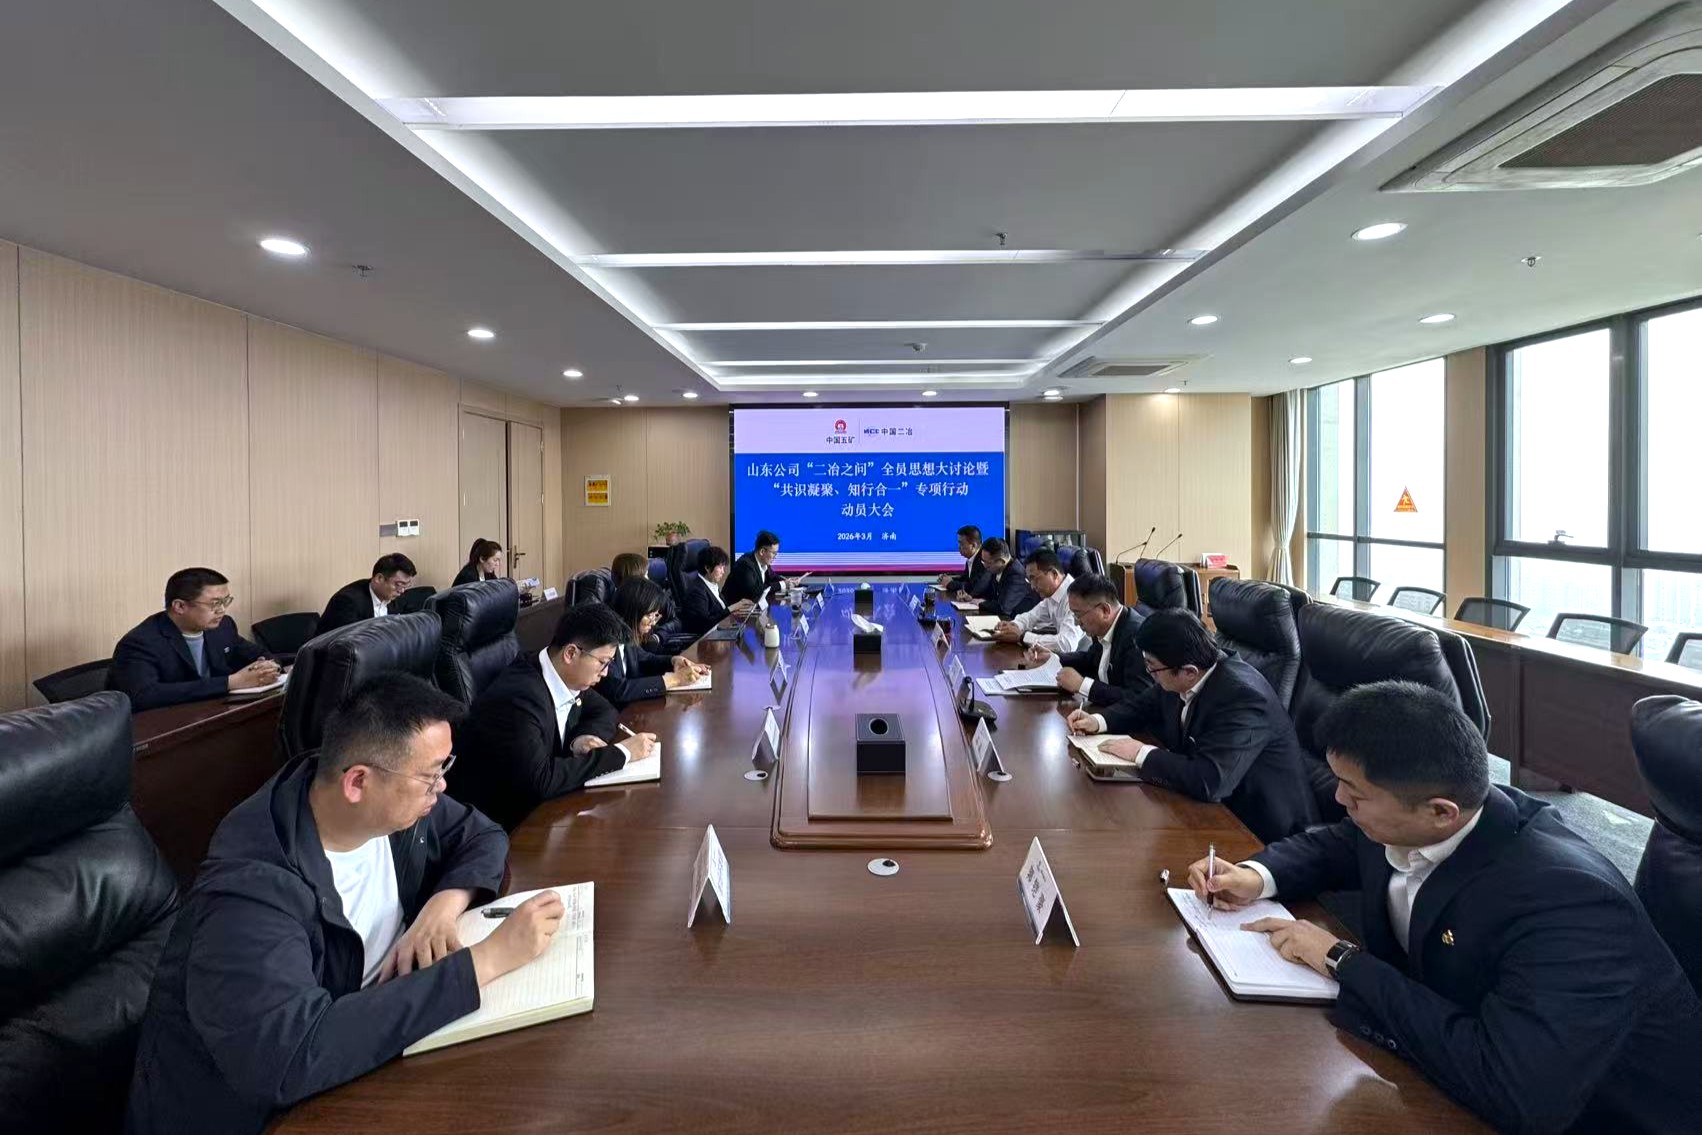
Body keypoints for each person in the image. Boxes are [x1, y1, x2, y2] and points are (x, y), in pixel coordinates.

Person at [1188, 681, 1702, 1134]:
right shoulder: (1419, 814)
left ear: (1440, 812)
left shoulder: (1570, 903)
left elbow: (1515, 1093)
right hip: (1443, 1067)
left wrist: (1343, 960)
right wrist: (1256, 875)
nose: (1339, 799)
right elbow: (1340, 844)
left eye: (1355, 794)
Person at [125, 674, 561, 1135]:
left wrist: (443, 906)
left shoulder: (386, 809)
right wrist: (484, 962)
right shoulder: (251, 891)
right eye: (431, 774)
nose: (442, 787)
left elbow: (483, 835)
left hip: (369, 1050)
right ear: (357, 782)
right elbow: (289, 1057)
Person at [1068, 609, 1315, 842]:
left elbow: (1210, 780)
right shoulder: (1187, 669)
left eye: (1151, 667)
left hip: (1258, 830)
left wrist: (1140, 752)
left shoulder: (1244, 699)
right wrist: (1098, 721)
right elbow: (1143, 704)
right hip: (1209, 808)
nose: (1149, 673)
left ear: (1189, 672)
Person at [449, 602, 658, 829]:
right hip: (503, 825)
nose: (606, 672)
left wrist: (582, 738)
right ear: (571, 653)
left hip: (546, 809)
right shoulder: (518, 699)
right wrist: (622, 753)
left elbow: (605, 710)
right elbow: (541, 781)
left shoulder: (563, 674)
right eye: (603, 662)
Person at [108, 567, 280, 711]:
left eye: (225, 601)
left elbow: (259, 654)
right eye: (214, 603)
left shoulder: (223, 626)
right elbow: (143, 695)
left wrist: (269, 667)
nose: (222, 610)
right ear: (180, 606)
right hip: (163, 726)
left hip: (215, 712)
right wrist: (230, 683)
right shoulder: (142, 642)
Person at [1024, 574, 1147, 706]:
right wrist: (1053, 658)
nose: (1076, 623)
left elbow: (1139, 698)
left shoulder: (1137, 638)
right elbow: (1090, 659)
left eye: (1078, 615)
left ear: (1105, 610)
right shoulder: (1103, 627)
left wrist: (1083, 685)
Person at [598, 579, 710, 707]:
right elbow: (618, 690)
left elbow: (646, 659)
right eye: (649, 615)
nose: (653, 622)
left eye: (655, 615)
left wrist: (673, 661)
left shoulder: (627, 636)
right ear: (633, 612)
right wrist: (674, 679)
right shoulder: (605, 642)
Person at [991, 548, 1085, 652]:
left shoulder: (1075, 597)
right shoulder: (1052, 595)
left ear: (1054, 574)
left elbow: (1066, 644)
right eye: (1029, 580)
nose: (1032, 586)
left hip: (1082, 657)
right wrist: (1013, 625)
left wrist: (1022, 637)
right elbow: (1031, 617)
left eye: (1035, 579)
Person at [318, 554, 417, 636]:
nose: (402, 591)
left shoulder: (398, 595)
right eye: (399, 584)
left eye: (406, 585)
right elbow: (350, 643)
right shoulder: (347, 601)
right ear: (379, 578)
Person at [678, 545, 754, 636]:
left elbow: (720, 612)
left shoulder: (712, 585)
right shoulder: (697, 591)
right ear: (707, 568)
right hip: (706, 640)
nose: (723, 572)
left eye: (724, 567)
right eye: (720, 567)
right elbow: (705, 624)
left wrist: (737, 609)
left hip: (720, 632)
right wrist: (732, 608)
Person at [612, 551, 683, 647]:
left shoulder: (655, 596)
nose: (649, 579)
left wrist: (657, 635)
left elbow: (676, 622)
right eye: (646, 575)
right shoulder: (613, 607)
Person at [973, 538, 1037, 619]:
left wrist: (981, 603)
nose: (985, 566)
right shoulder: (998, 569)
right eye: (983, 561)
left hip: (1018, 620)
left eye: (988, 563)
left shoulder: (1016, 575)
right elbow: (990, 594)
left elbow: (1004, 608)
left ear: (1001, 561)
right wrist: (972, 598)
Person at [723, 529, 783, 606]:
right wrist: (782, 584)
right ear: (762, 551)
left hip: (749, 608)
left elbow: (773, 577)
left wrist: (789, 581)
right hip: (733, 611)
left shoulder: (764, 563)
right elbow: (755, 592)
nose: (775, 556)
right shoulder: (745, 565)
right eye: (774, 553)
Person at [938, 525, 990, 597]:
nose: (959, 547)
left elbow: (974, 586)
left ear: (973, 545)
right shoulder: (971, 558)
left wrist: (950, 584)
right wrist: (949, 579)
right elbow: (965, 579)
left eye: (961, 543)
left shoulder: (984, 560)